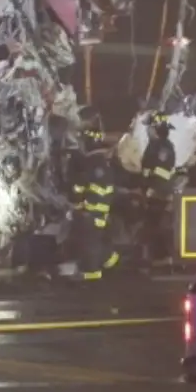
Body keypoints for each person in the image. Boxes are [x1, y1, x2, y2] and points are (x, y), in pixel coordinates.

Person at [69, 108, 119, 281]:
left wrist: (76, 205)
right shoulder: (103, 163)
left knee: (89, 243)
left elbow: (79, 188)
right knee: (96, 240)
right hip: (100, 211)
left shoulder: (90, 164)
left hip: (90, 212)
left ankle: (91, 275)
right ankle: (111, 262)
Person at [140, 110, 178, 272]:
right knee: (154, 227)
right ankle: (159, 260)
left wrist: (151, 189)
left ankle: (161, 261)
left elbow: (160, 171)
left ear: (155, 129)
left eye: (149, 127)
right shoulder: (160, 145)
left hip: (158, 194)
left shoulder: (161, 147)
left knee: (156, 227)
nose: (147, 131)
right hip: (156, 192)